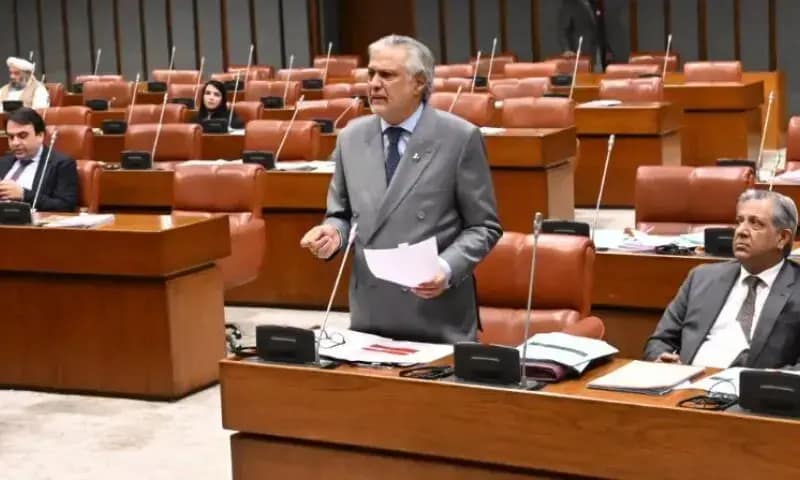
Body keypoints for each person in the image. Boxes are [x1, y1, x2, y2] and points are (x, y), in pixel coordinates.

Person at [300, 35, 502, 344]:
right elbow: (341, 214)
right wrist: (333, 235)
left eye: (387, 75)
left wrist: (446, 268)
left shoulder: (458, 138)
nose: (374, 84)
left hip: (435, 314)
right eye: (371, 73)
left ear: (419, 83)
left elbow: (484, 226)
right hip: (370, 314)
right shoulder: (351, 137)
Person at [644, 190, 800, 369]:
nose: (741, 231)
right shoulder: (701, 278)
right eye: (739, 221)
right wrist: (660, 358)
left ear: (782, 238)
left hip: (755, 385)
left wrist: (763, 381)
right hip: (688, 382)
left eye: (755, 223)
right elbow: (660, 341)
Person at [0, 108, 78, 212]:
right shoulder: (3, 162)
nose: (15, 143)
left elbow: (66, 205)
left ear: (40, 136)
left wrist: (24, 195)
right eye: (11, 137)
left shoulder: (61, 164)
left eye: (22, 136)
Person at [558, 0, 614, 69]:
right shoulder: (569, 4)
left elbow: (600, 29)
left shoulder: (594, 4)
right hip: (581, 51)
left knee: (599, 71)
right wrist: (567, 49)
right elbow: (563, 29)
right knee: (584, 73)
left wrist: (607, 49)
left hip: (598, 51)